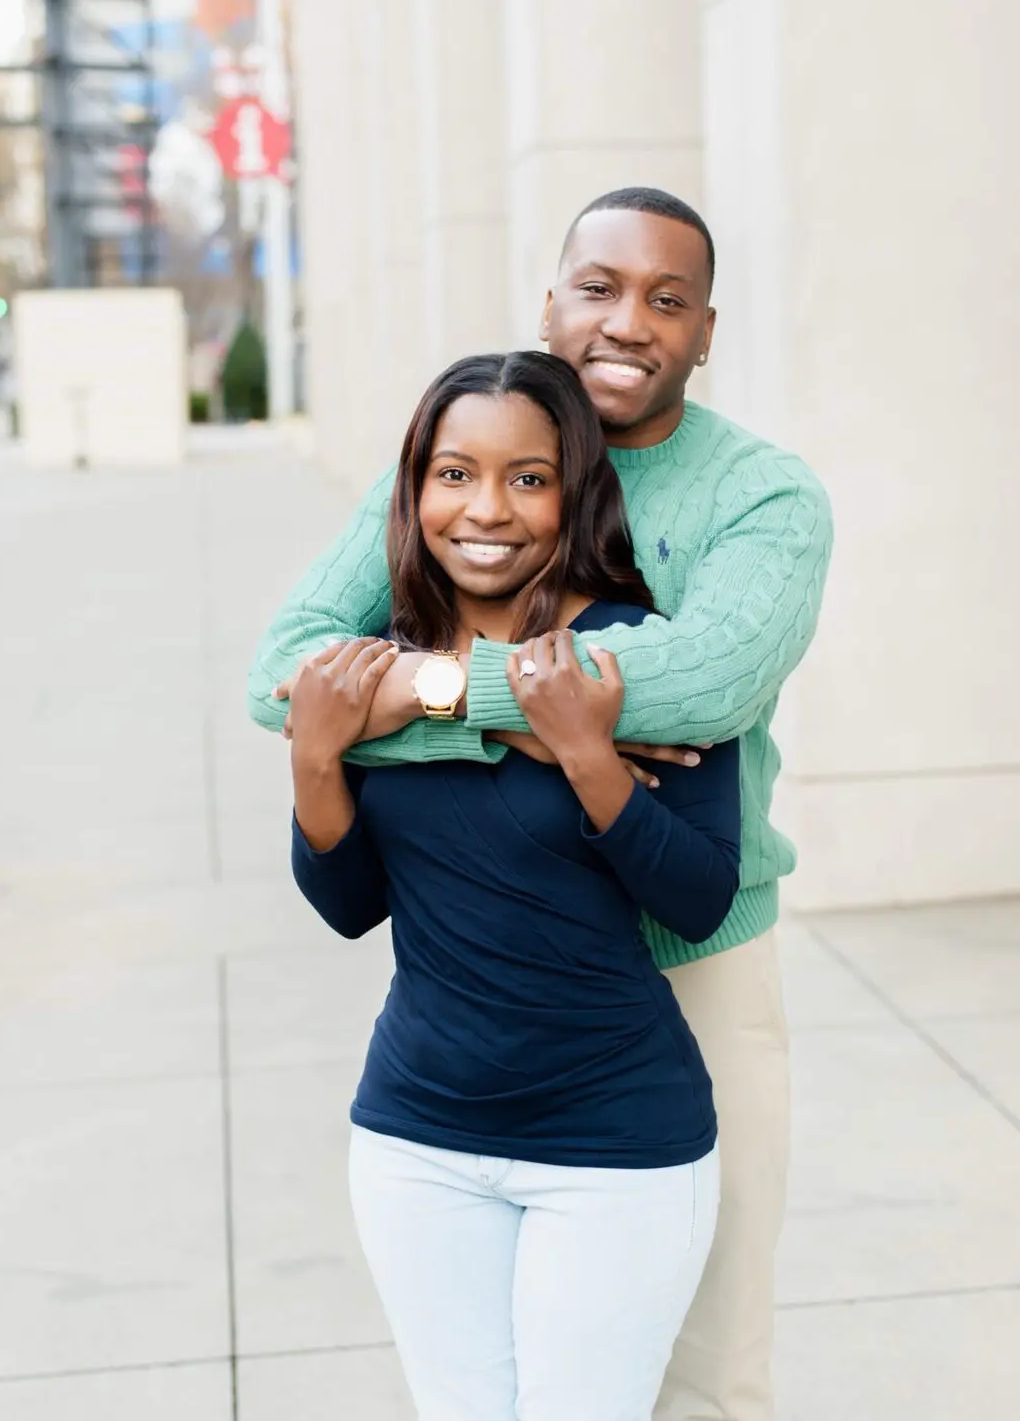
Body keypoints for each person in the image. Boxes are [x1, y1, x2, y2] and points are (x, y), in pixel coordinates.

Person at [249, 187, 833, 1421]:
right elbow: (284, 678)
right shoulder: (464, 463)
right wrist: (561, 728)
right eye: (598, 288)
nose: (627, 323)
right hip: (499, 971)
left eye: (665, 302)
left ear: (706, 330)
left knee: (706, 1360)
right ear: (550, 299)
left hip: (695, 951)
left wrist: (410, 700)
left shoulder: (761, 495)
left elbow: (711, 680)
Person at [290, 351, 741, 1420]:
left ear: (573, 489)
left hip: (614, 1148)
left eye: (527, 479)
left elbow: (698, 898)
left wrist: (587, 755)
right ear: (413, 491)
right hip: (415, 1139)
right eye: (453, 474)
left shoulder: (636, 657)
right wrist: (315, 760)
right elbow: (351, 905)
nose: (485, 510)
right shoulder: (377, 668)